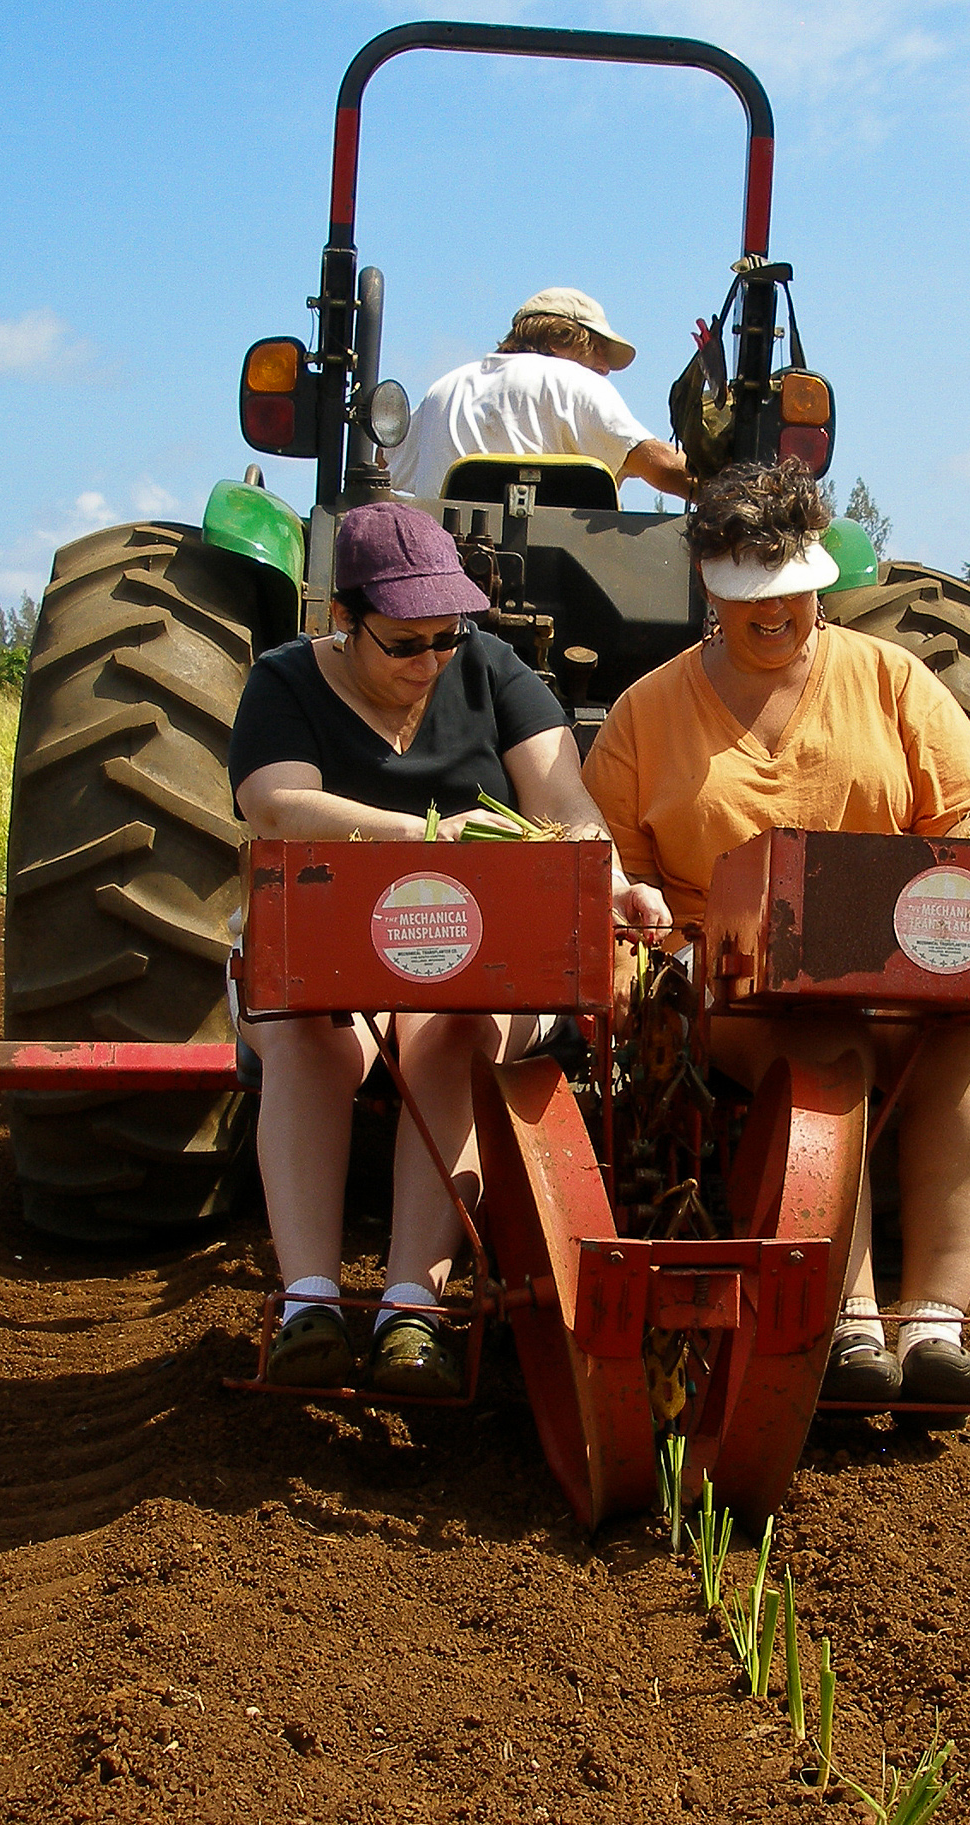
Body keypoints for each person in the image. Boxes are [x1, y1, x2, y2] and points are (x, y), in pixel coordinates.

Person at [581, 462, 970, 1405]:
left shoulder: (893, 680)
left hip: (898, 963)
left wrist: (920, 920)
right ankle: (854, 1321)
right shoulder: (644, 717)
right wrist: (656, 944)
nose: (774, 610)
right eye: (749, 593)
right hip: (729, 985)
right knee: (825, 1034)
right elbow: (615, 894)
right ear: (707, 583)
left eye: (791, 587)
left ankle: (937, 1323)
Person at [228, 500, 668, 1395]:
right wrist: (430, 835)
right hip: (327, 944)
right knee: (309, 1040)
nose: (431, 660)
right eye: (405, 643)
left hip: (474, 950)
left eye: (446, 636)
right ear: (344, 620)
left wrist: (610, 876)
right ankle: (309, 1302)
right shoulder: (283, 683)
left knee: (455, 1029)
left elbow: (567, 806)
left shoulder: (491, 670)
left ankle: (409, 1309)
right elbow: (275, 807)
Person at [387, 287, 695, 504]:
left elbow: (383, 470)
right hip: (552, 584)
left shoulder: (443, 389)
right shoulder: (573, 382)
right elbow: (665, 468)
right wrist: (731, 485)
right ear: (560, 338)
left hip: (443, 575)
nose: (604, 368)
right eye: (598, 350)